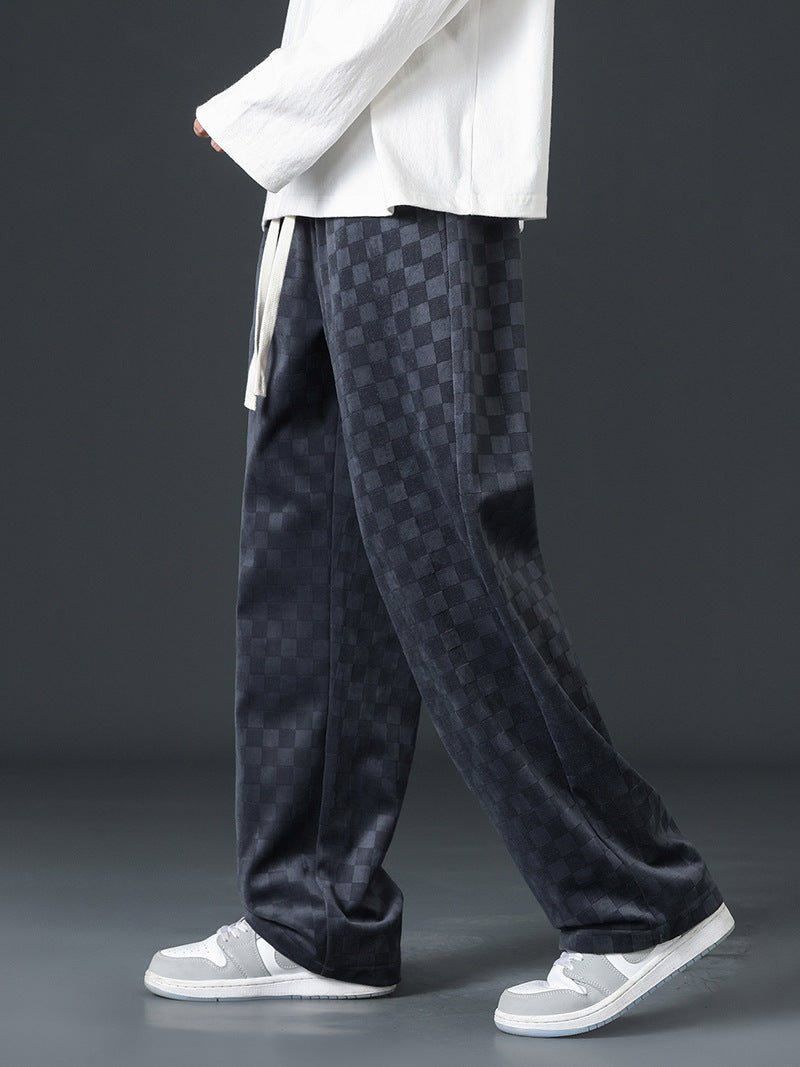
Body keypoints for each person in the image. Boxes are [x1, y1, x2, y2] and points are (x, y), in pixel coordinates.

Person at [143, 0, 734, 1036]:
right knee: (307, 551)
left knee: (444, 555)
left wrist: (266, 102)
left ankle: (635, 897)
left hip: (415, 178)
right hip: (321, 182)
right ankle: (313, 917)